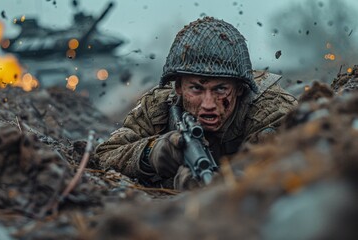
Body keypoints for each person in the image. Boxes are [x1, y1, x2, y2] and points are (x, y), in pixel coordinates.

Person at [95, 17, 297, 190]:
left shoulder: (270, 111)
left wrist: (215, 185)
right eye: (196, 89)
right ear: (178, 88)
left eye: (220, 89)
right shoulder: (159, 106)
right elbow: (105, 155)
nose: (208, 104)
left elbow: (293, 169)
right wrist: (151, 152)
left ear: (239, 89)